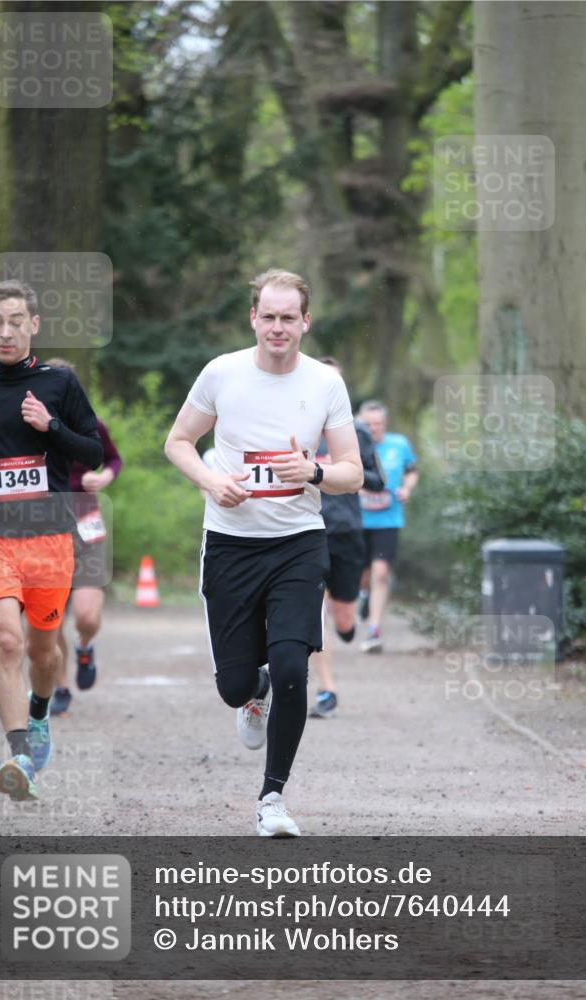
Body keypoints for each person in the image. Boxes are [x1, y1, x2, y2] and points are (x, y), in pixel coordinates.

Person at [165, 269, 362, 836]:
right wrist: (209, 480)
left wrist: (315, 471)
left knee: (295, 667)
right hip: (231, 544)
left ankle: (272, 798)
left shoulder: (325, 383)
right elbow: (178, 442)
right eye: (268, 316)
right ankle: (254, 693)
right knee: (233, 685)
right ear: (253, 318)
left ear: (306, 321)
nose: (278, 327)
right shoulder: (222, 374)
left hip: (299, 543)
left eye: (288, 317)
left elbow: (351, 472)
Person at [0, 281, 102, 801]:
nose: (5, 331)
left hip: (48, 538)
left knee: (44, 652)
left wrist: (51, 426)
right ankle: (19, 753)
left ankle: (39, 714)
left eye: (16, 320)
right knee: (6, 640)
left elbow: (91, 452)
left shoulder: (58, 385)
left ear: (34, 325)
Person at [44, 359, 122, 716]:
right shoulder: (25, 429)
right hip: (42, 527)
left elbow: (113, 460)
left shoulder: (91, 425)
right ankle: (60, 687)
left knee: (87, 616)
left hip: (86, 526)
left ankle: (85, 646)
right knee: (52, 617)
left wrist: (104, 478)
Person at [308, 358, 385, 718]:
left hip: (348, 531)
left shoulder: (358, 432)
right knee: (313, 611)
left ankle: (351, 622)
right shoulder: (297, 425)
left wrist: (336, 471)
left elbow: (377, 480)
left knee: (342, 620)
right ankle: (327, 689)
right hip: (308, 530)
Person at [358, 400, 418, 653]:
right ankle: (364, 594)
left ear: (385, 423)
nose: (373, 428)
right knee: (361, 575)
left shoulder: (399, 444)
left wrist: (407, 488)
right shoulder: (352, 444)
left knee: (380, 573)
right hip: (356, 521)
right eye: (368, 424)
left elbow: (412, 471)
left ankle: (374, 631)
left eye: (378, 424)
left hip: (387, 520)